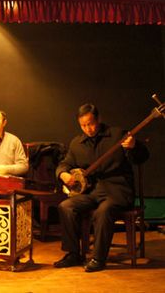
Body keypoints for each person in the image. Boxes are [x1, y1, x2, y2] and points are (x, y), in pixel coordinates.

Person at [54, 104, 149, 272]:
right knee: (66, 206)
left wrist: (134, 146)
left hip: (118, 190)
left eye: (90, 123)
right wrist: (63, 174)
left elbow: (141, 157)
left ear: (98, 119)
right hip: (92, 192)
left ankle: (98, 258)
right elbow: (64, 164)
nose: (88, 129)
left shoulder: (118, 135)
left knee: (103, 211)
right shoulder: (77, 143)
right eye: (83, 125)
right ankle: (73, 254)